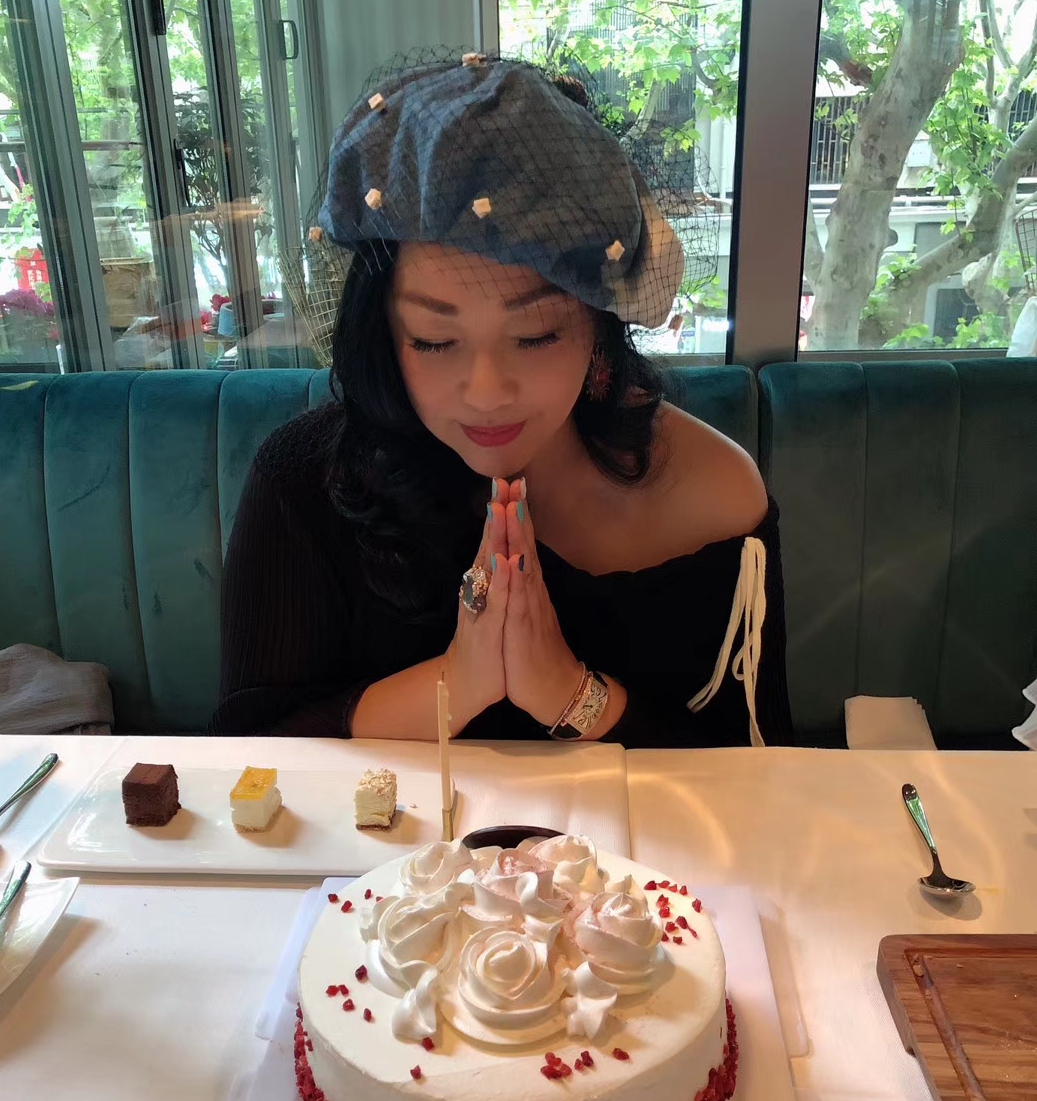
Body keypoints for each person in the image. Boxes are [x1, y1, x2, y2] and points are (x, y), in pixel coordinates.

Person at [212, 52, 792, 747]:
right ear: (382, 335)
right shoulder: (307, 481)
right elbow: (250, 746)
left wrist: (569, 692)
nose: (486, 393)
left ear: (600, 327)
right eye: (433, 340)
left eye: (536, 335)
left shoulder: (710, 493)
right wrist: (461, 679)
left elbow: (756, 765)